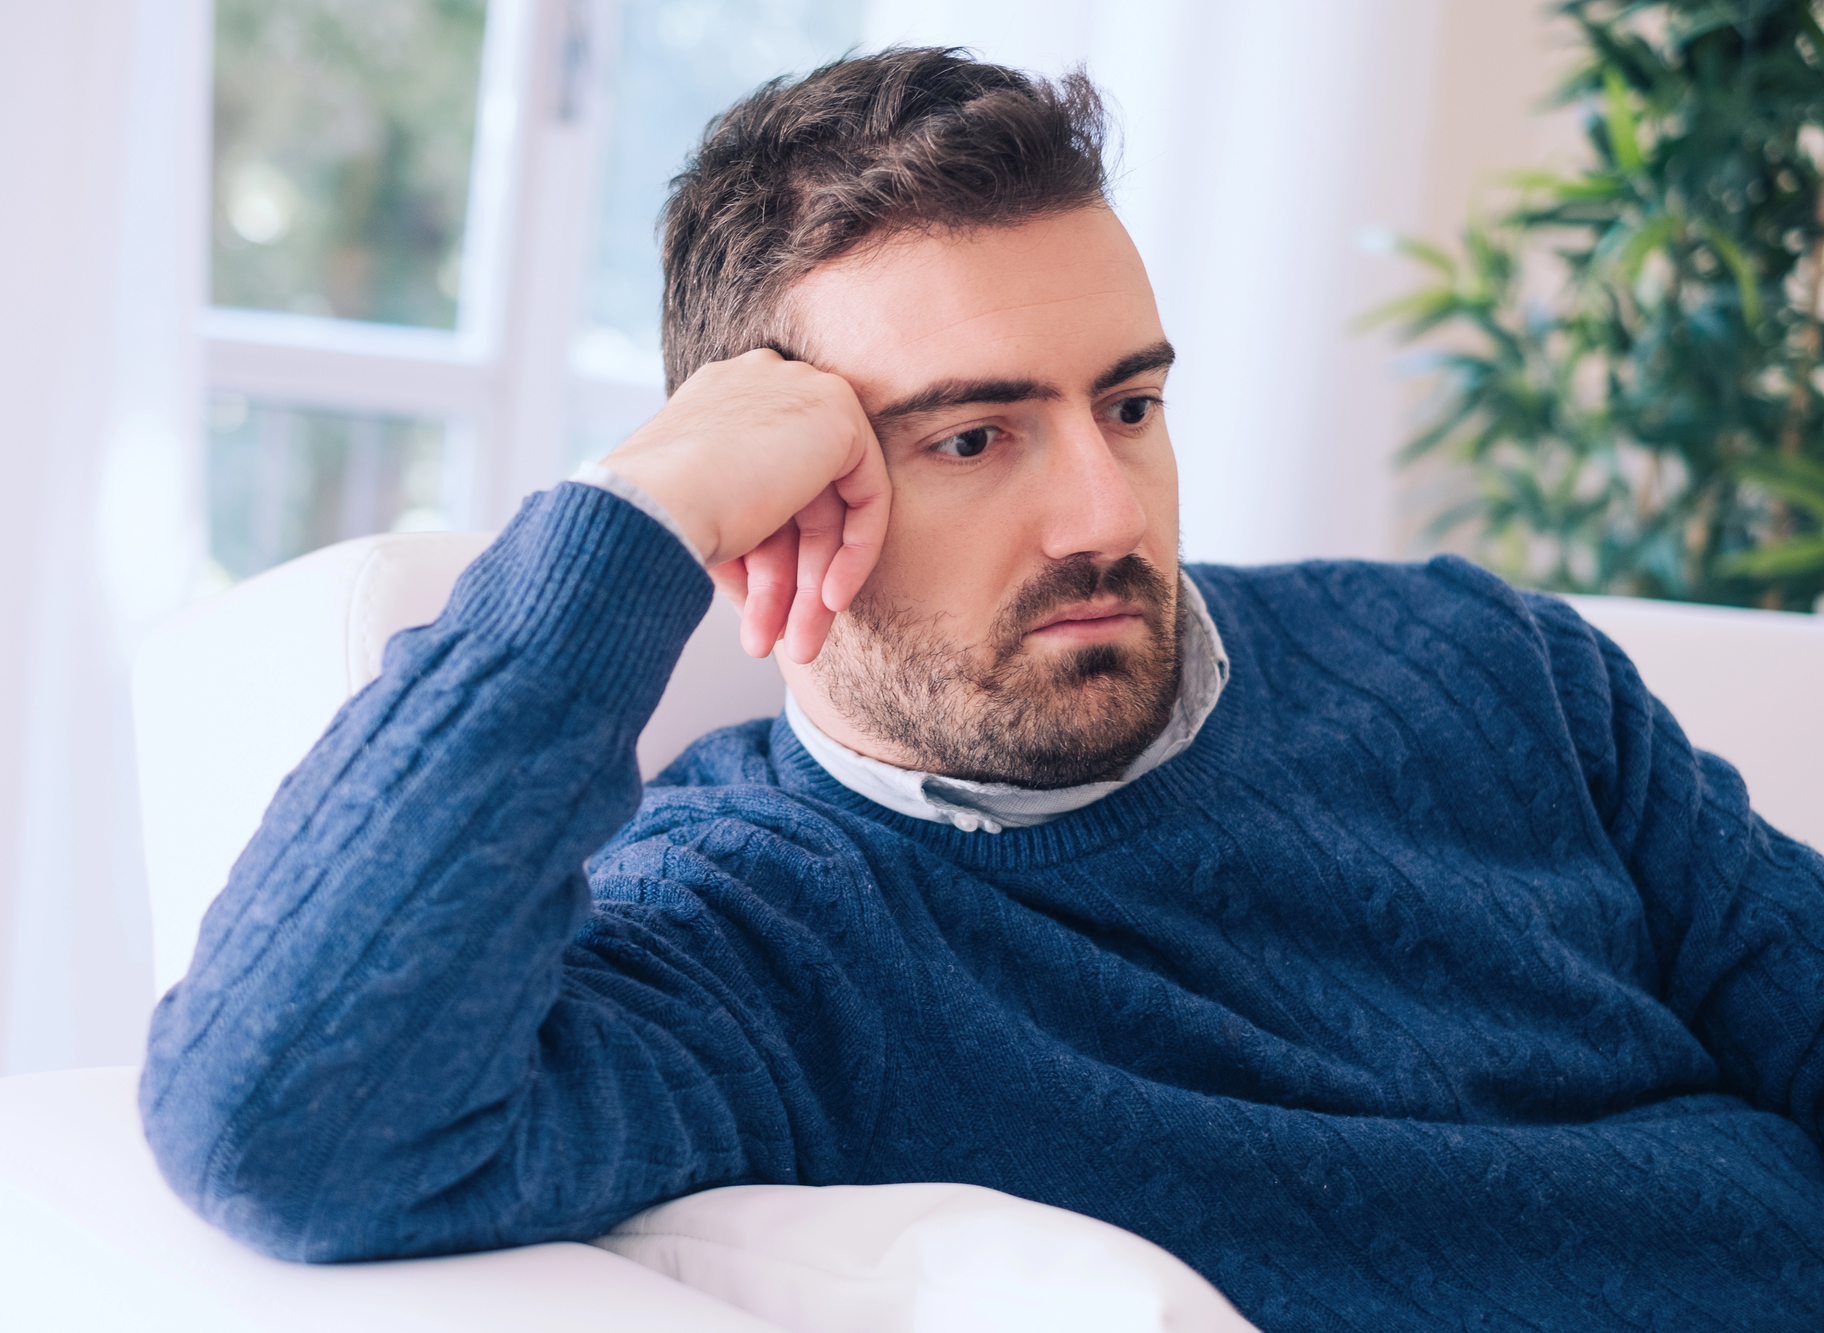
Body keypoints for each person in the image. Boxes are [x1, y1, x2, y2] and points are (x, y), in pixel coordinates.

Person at [141, 48, 1824, 1328]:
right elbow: (288, 1127)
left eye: (1131, 407)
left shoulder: (1490, 664)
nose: (1106, 512)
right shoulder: (757, 940)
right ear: (786, 492)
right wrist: (631, 523)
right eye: (972, 435)